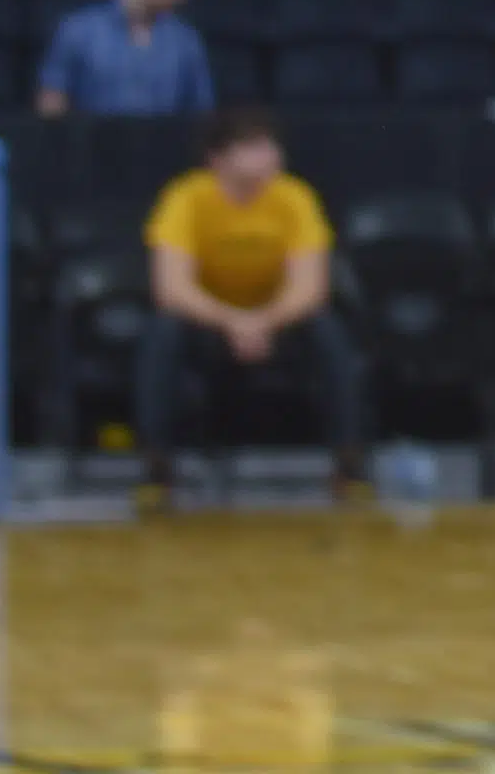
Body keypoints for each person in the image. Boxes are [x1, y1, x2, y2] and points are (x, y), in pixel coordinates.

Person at [136, 108, 365, 510]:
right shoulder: (185, 197)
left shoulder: (295, 196)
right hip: (210, 325)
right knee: (163, 332)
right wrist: (233, 321)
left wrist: (262, 321)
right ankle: (157, 467)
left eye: (272, 146)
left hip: (277, 323)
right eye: (254, 146)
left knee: (329, 331)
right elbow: (171, 289)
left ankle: (348, 463)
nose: (270, 156)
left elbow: (310, 289)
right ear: (217, 159)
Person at [35, 0, 214, 118]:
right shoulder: (78, 30)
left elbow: (200, 114)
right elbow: (52, 104)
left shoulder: (185, 41)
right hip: (90, 146)